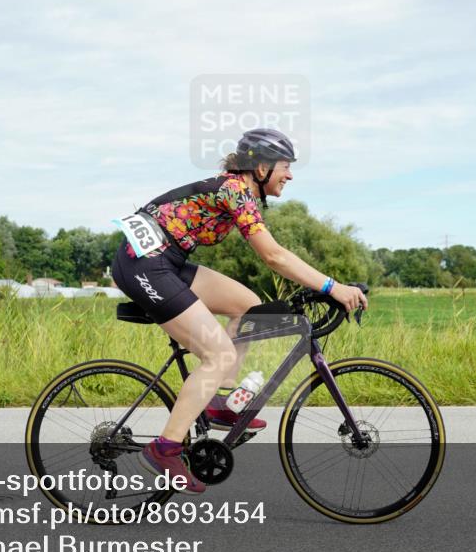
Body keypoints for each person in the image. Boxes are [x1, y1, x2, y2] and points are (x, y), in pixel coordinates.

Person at [111, 128, 368, 494]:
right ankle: (164, 449)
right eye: (285, 166)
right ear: (260, 167)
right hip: (143, 264)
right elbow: (274, 255)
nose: (290, 175)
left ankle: (217, 403)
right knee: (218, 354)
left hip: (167, 260)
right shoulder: (234, 190)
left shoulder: (236, 191)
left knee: (251, 308)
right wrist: (332, 287)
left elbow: (272, 256)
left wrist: (324, 286)